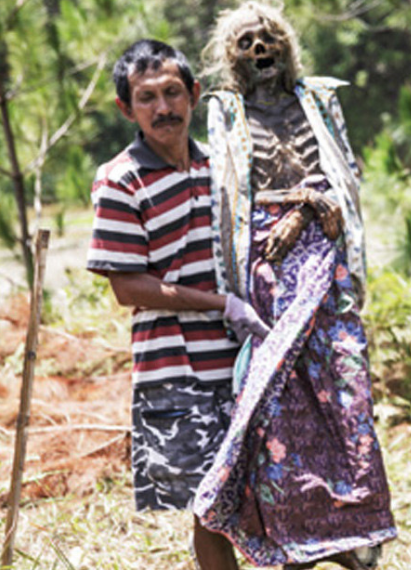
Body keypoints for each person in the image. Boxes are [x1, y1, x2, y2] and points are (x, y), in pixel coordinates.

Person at [191, 0, 395, 570]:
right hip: (262, 264)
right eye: (246, 42)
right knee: (277, 401)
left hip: (323, 259)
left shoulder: (319, 100)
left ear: (287, 46)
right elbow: (229, 193)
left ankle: (356, 535)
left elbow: (343, 176)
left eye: (269, 38)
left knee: (346, 395)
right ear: (231, 58)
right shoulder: (225, 111)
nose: (260, 50)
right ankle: (290, 539)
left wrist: (306, 205)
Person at [88, 39, 270, 570]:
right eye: (147, 98)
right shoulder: (120, 180)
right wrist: (220, 304)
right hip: (175, 368)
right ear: (127, 108)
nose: (163, 108)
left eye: (172, 92)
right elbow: (129, 287)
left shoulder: (221, 165)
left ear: (193, 94)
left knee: (266, 487)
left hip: (240, 358)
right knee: (206, 506)